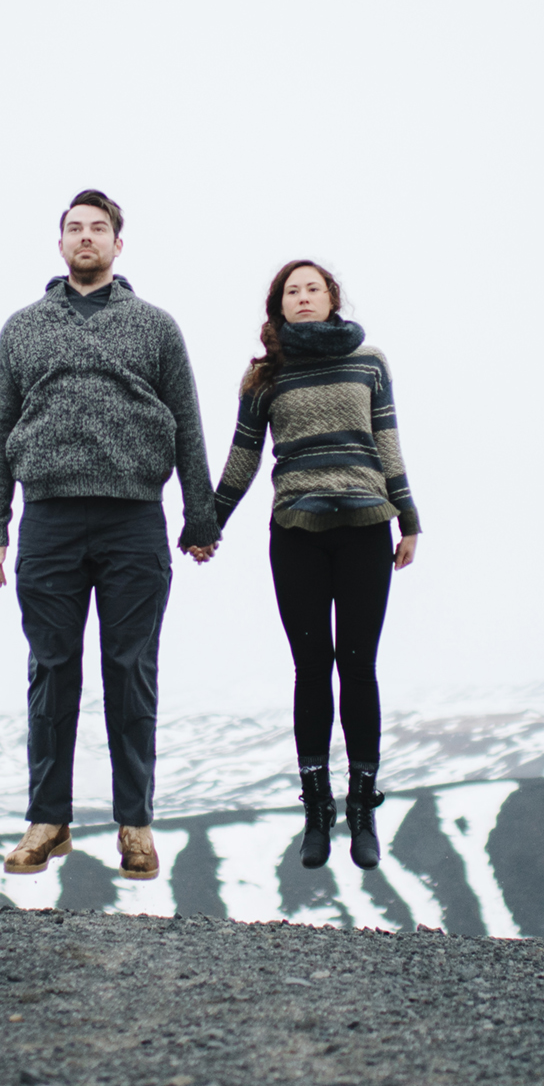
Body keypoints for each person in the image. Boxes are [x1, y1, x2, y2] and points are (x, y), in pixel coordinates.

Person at [0, 189, 220, 883]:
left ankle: (135, 823)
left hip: (133, 518)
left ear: (119, 244)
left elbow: (188, 421)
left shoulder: (156, 327)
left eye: (98, 229)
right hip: (49, 518)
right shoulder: (22, 329)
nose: (86, 238)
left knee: (130, 670)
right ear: (60, 244)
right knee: (51, 670)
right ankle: (47, 820)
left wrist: (198, 516)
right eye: (74, 229)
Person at [209, 260, 420, 873]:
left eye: (313, 289)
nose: (303, 298)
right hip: (296, 532)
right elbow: (243, 456)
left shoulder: (369, 361)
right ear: (279, 305)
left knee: (358, 666)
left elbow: (388, 441)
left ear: (332, 299)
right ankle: (316, 809)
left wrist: (408, 518)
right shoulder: (264, 375)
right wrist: (209, 522)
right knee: (310, 668)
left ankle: (362, 809)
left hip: (364, 529)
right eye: (291, 291)